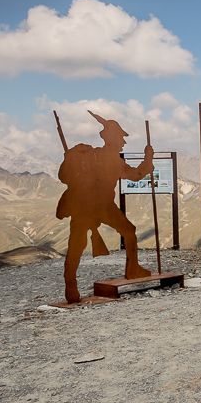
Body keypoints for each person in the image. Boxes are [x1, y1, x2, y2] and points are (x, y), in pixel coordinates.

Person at [56, 111, 154, 303]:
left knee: (76, 244)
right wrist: (148, 158)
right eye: (121, 138)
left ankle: (71, 284)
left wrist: (70, 158)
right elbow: (137, 174)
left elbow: (63, 178)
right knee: (128, 231)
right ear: (114, 139)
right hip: (102, 206)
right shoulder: (113, 160)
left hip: (84, 207)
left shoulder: (87, 155)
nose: (123, 143)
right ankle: (132, 268)